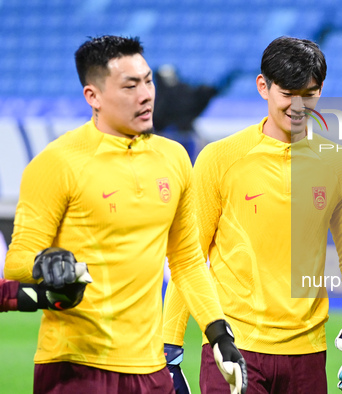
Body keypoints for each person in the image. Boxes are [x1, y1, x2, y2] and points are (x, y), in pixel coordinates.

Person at [4, 35, 246, 394]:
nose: (146, 94)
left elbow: (188, 261)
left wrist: (218, 333)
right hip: (76, 367)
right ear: (93, 96)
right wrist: (46, 262)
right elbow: (16, 261)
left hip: (152, 369)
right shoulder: (57, 163)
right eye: (130, 85)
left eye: (148, 81)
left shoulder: (175, 157)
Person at [162, 36, 342, 394]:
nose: (298, 105)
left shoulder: (339, 165)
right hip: (232, 347)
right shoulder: (220, 158)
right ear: (264, 86)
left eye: (309, 93)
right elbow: (190, 257)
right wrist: (170, 346)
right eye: (287, 93)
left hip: (307, 354)